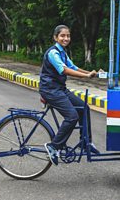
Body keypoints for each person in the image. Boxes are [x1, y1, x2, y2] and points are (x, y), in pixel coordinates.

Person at [40, 25, 101, 165]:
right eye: (62, 36)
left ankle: (85, 142)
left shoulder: (63, 53)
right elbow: (64, 70)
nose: (65, 38)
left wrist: (90, 73)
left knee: (84, 108)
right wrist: (85, 77)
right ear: (55, 37)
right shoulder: (53, 53)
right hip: (50, 90)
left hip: (60, 89)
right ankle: (53, 146)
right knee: (72, 116)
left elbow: (73, 67)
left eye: (67, 36)